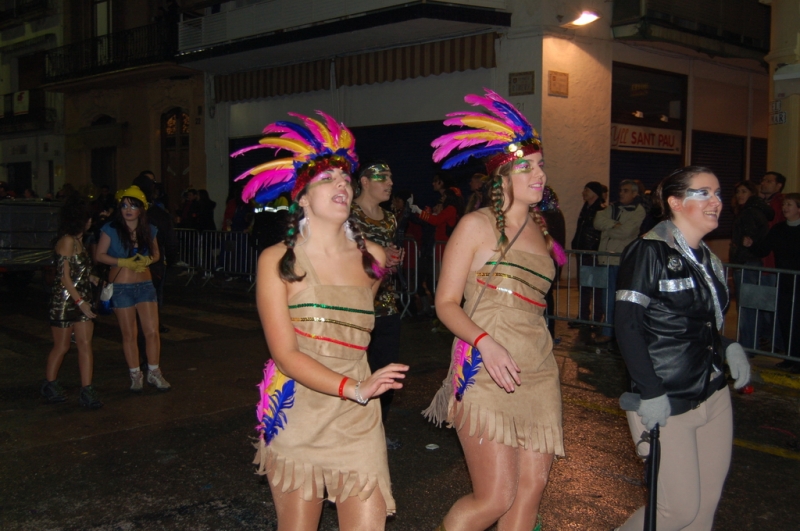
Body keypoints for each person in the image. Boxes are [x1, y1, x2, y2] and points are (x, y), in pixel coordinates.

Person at [233, 111, 408, 529]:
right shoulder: (277, 260)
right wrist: (356, 388)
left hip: (357, 417)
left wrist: (360, 391)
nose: (342, 185)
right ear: (303, 198)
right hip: (300, 410)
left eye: (345, 179)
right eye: (328, 179)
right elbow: (286, 354)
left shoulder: (375, 259)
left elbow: (352, 332)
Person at [423, 90, 567, 531]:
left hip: (538, 371)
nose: (539, 174)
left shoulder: (544, 234)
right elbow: (445, 304)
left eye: (540, 165)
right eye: (527, 166)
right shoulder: (476, 225)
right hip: (484, 367)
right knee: (496, 495)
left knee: (528, 497)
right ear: (502, 176)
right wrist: (486, 343)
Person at [612, 166, 751, 531]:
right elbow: (627, 326)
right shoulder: (648, 251)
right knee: (676, 511)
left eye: (718, 192)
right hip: (666, 399)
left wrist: (728, 345)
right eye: (703, 192)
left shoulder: (707, 258)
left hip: (712, 394)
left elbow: (695, 323)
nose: (716, 201)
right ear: (674, 202)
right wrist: (650, 391)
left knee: (703, 512)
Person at [95, 185, 171, 392]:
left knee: (152, 331)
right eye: (124, 205)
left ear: (141, 209)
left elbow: (156, 254)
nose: (128, 210)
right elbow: (99, 254)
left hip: (145, 284)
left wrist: (146, 259)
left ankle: (154, 372)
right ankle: (135, 374)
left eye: (133, 206)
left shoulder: (149, 229)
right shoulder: (110, 228)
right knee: (129, 333)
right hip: (121, 287)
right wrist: (122, 262)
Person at [351, 160, 405, 449]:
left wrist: (394, 259)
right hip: (357, 307)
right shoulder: (348, 214)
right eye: (383, 177)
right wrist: (376, 255)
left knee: (386, 373)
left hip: (386, 305)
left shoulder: (388, 217)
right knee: (357, 372)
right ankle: (354, 432)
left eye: (391, 177)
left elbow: (387, 258)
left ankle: (378, 430)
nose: (390, 182)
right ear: (364, 182)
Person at [42, 193, 103, 409]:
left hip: (80, 299)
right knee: (62, 346)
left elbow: (78, 272)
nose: (90, 223)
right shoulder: (67, 241)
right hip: (64, 302)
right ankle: (50, 383)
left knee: (85, 344)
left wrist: (91, 278)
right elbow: (64, 277)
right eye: (88, 218)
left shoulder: (78, 241)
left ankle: (87, 388)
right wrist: (80, 302)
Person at [744, 192, 800, 372]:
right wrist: (751, 244)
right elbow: (764, 249)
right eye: (785, 205)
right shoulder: (779, 229)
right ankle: (790, 356)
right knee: (786, 318)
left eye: (790, 205)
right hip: (784, 280)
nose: (785, 208)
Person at [592, 179, 646, 345]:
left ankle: (612, 331)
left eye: (626, 190)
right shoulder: (613, 207)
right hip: (606, 257)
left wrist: (609, 228)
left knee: (616, 297)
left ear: (635, 193)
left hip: (620, 258)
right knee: (606, 296)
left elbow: (627, 232)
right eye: (621, 190)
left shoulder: (638, 210)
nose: (621, 193)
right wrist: (615, 225)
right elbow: (597, 222)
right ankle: (609, 329)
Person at [729, 180, 773, 350]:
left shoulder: (749, 213)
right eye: (738, 191)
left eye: (744, 192)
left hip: (746, 262)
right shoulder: (755, 211)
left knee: (748, 305)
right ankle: (752, 341)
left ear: (751, 194)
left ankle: (747, 343)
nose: (740, 195)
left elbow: (750, 237)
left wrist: (745, 242)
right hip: (749, 261)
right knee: (752, 304)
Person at [132, 172, 177, 335]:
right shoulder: (155, 215)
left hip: (152, 265)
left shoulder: (157, 215)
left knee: (150, 301)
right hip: (141, 266)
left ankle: (150, 328)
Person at [570, 181, 607, 328]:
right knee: (584, 286)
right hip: (583, 251)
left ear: (595, 193)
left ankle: (597, 319)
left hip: (594, 253)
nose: (584, 192)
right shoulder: (586, 208)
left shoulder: (601, 209)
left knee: (596, 287)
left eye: (587, 190)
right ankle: (584, 316)